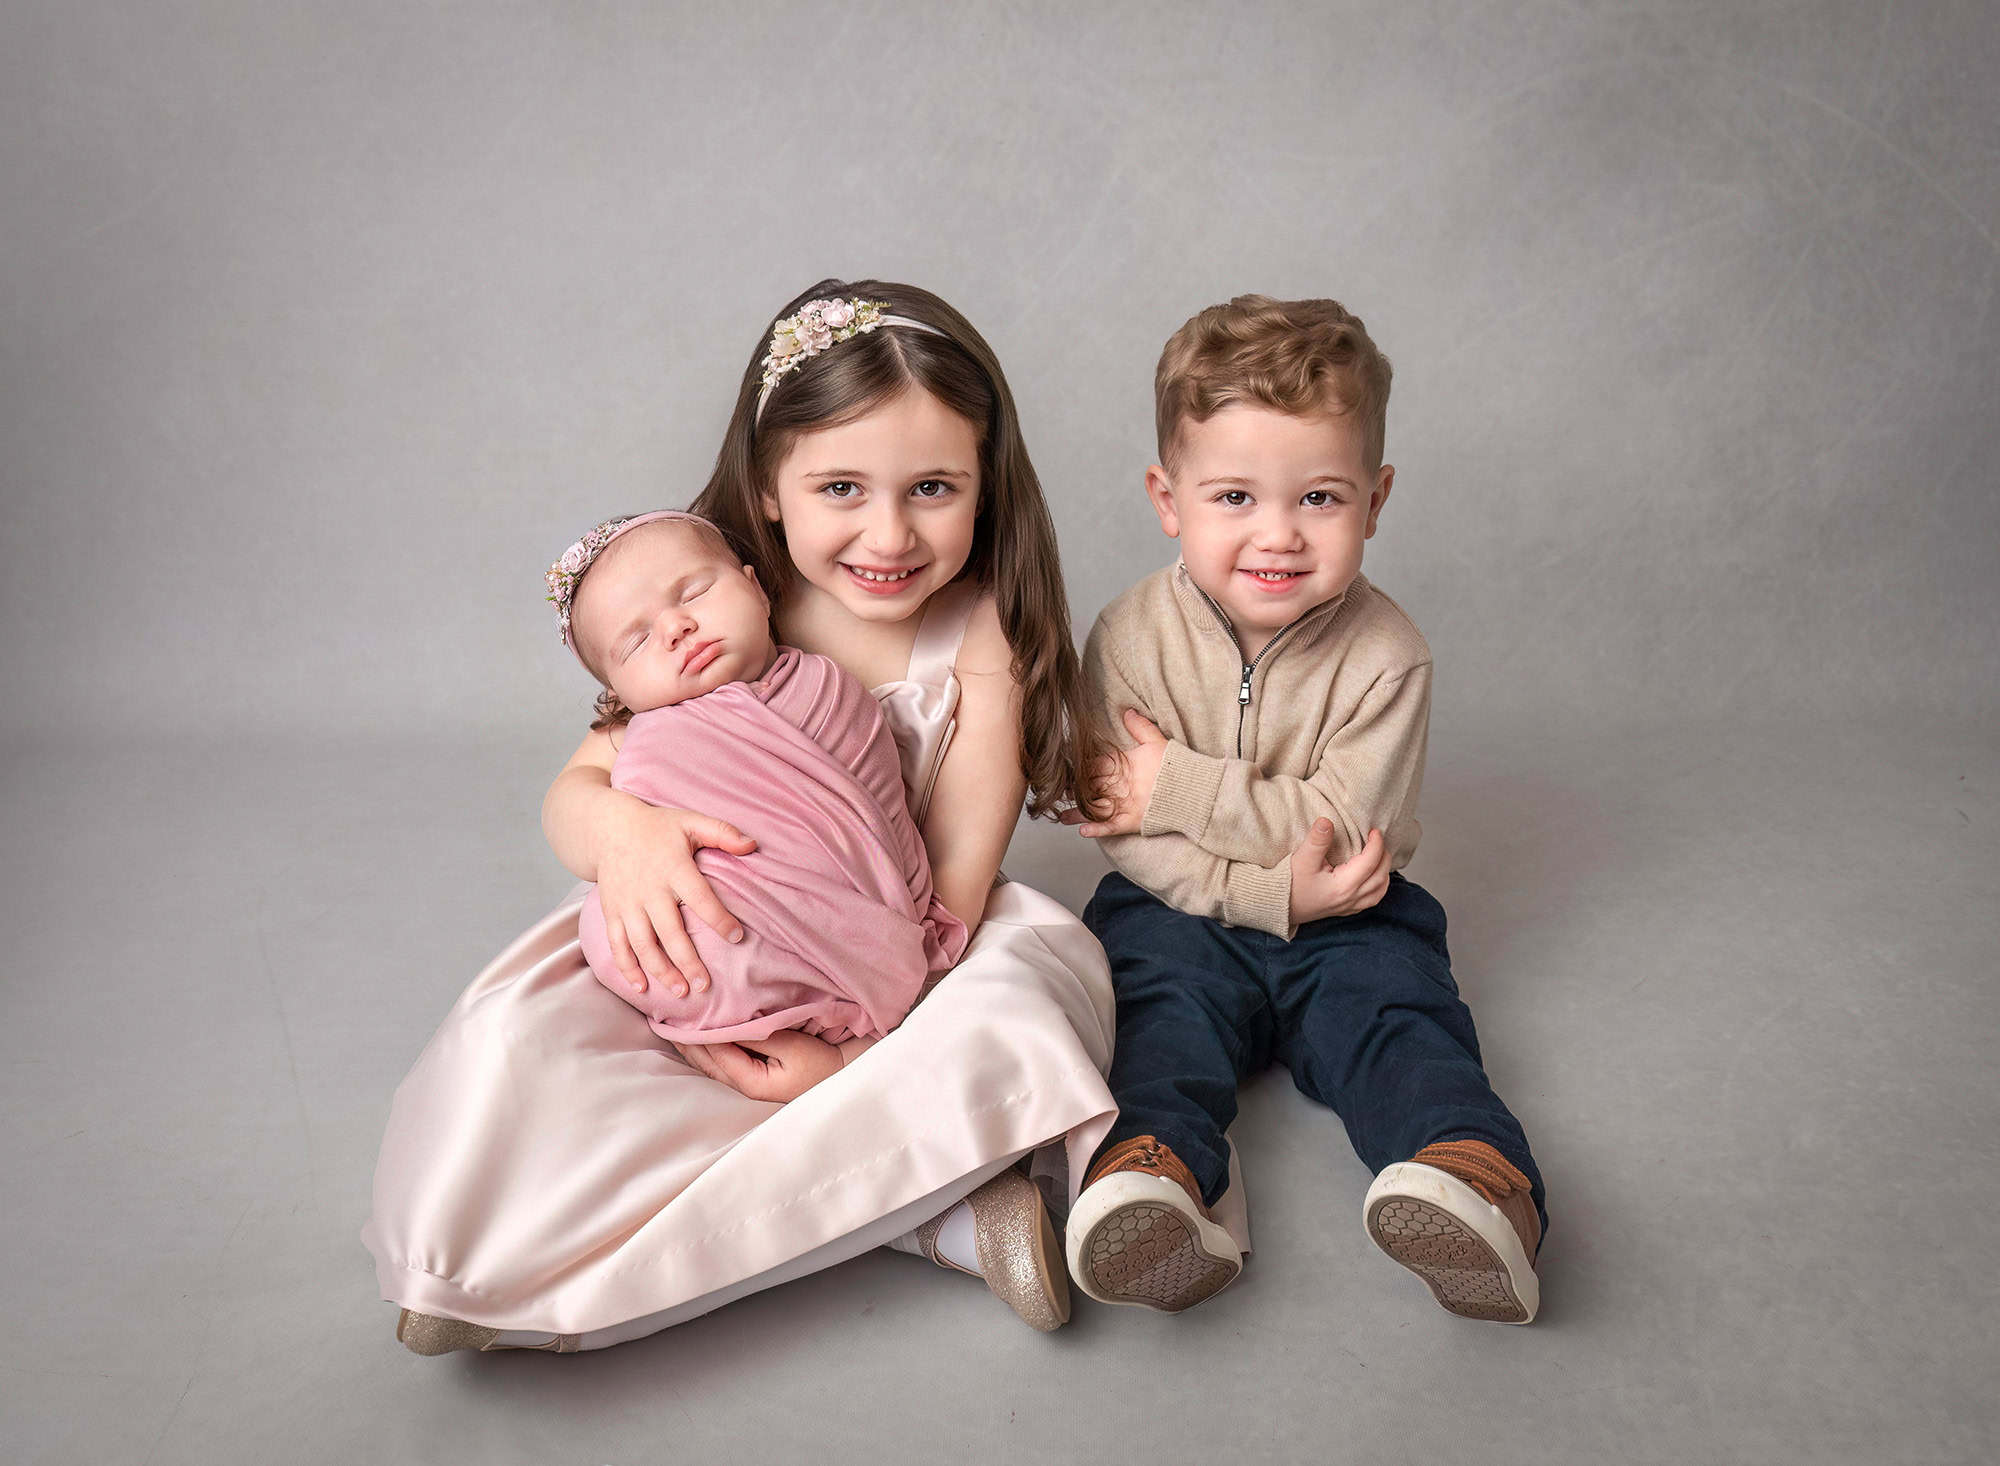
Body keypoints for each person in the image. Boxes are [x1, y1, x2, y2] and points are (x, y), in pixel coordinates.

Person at [366, 283, 1118, 1351]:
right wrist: (622, 835)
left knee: (1022, 1011)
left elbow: (959, 850)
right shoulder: (709, 601)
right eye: (842, 486)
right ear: (768, 487)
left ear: (985, 487)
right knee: (527, 1038)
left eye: (933, 487)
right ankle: (495, 1262)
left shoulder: (976, 629)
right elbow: (580, 786)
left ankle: (940, 1213)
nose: (888, 533)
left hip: (910, 940)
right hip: (722, 921)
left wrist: (868, 1036)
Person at [1061, 294, 1549, 1322]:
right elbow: (1123, 830)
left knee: (1395, 1019)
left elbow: (1337, 820)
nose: (1276, 535)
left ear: (1373, 500)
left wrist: (1178, 786)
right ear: (1167, 496)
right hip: (1179, 910)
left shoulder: (1386, 656)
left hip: (1350, 911)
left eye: (1317, 498)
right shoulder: (1126, 636)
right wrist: (1269, 889)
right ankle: (1154, 1182)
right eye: (1232, 496)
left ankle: (1471, 1173)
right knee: (1155, 1022)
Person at [550, 508, 965, 1048]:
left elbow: (874, 822)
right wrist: (628, 827)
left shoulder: (828, 688)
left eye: (694, 592)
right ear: (619, 691)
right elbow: (575, 806)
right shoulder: (641, 732)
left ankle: (831, 983)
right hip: (724, 918)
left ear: (757, 590)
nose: (676, 628)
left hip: (857, 911)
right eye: (636, 643)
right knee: (604, 932)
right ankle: (764, 1011)